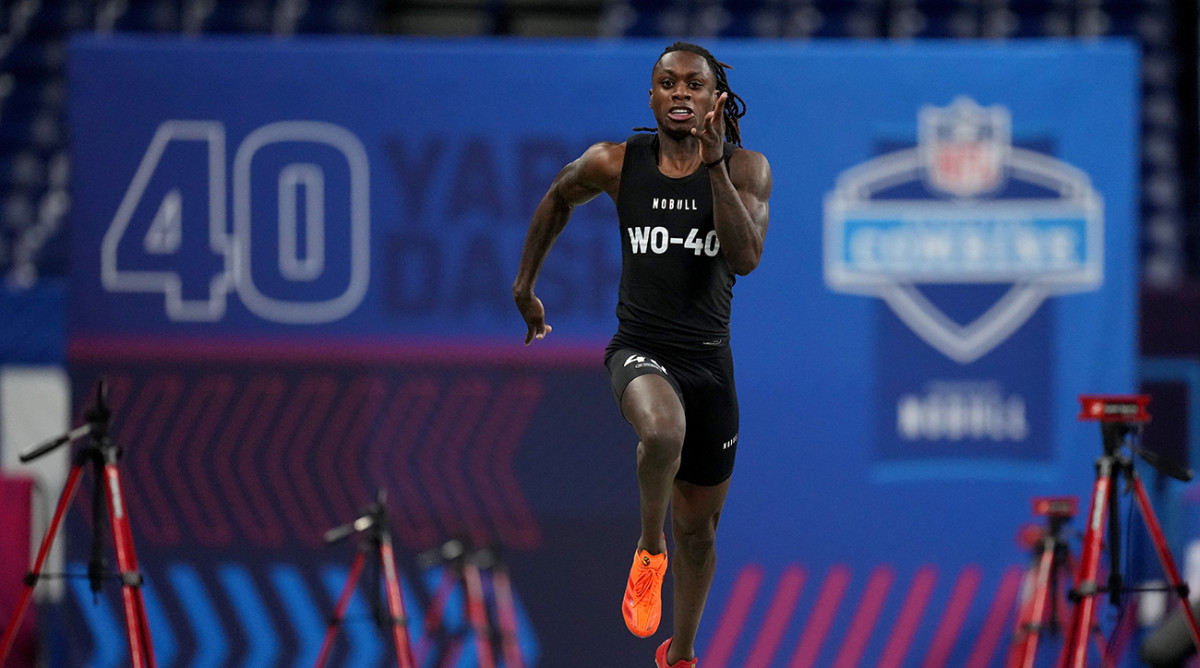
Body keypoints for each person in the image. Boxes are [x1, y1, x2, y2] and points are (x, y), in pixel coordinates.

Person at [512, 41, 771, 668]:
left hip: (711, 366)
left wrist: (713, 167)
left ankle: (680, 654)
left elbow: (745, 259)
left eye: (694, 85)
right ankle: (648, 550)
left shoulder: (745, 169)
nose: (680, 93)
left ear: (716, 100)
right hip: (641, 352)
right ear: (651, 95)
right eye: (667, 83)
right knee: (661, 432)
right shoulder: (616, 162)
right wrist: (525, 287)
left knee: (701, 534)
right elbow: (557, 197)